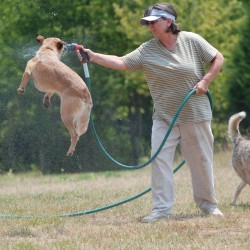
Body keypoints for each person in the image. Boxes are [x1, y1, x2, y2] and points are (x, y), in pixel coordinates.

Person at [79, 2, 224, 222]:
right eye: (148, 23)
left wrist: (206, 80)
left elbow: (218, 58)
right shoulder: (147, 49)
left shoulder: (192, 41)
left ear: (169, 21)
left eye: (154, 22)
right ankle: (162, 209)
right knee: (159, 160)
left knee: (201, 161)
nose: (150, 27)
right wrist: (92, 56)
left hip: (195, 114)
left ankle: (208, 206)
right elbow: (122, 62)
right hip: (164, 116)